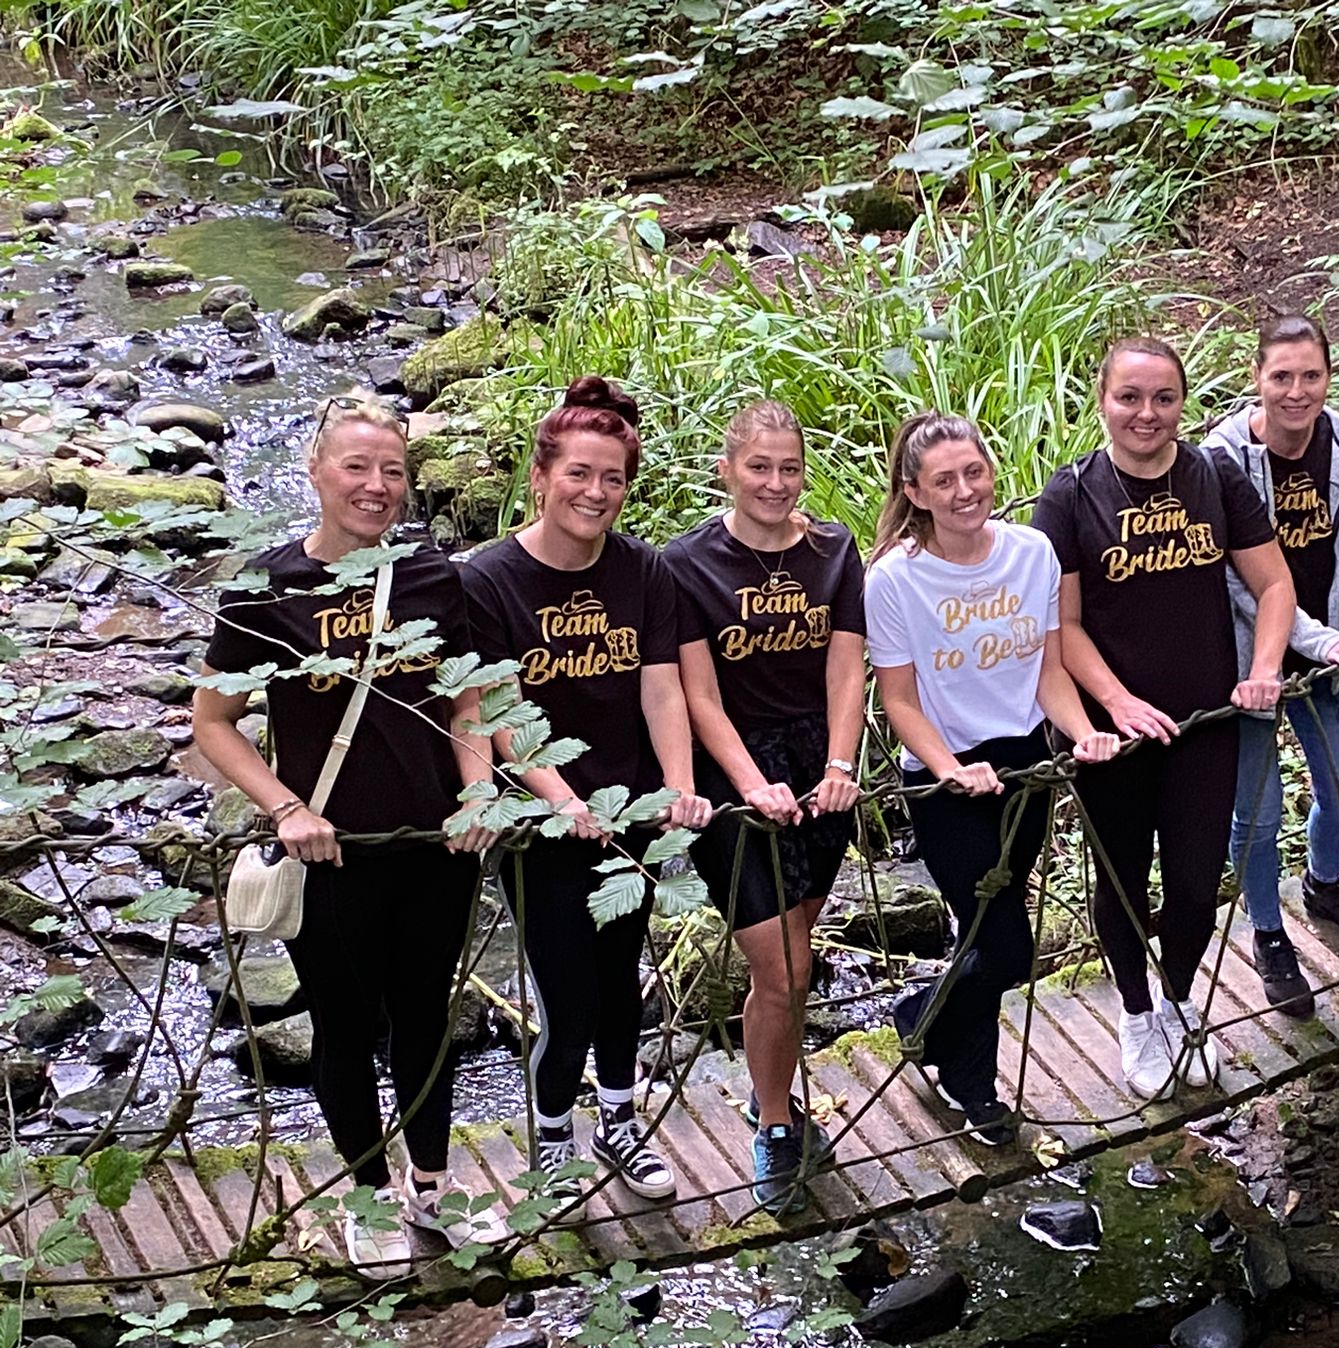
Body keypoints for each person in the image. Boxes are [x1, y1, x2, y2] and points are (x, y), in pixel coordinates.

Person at [195, 392, 510, 1274]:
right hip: (332, 854)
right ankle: (368, 1194)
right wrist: (285, 807)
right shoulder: (268, 588)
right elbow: (212, 722)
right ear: (316, 472)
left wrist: (478, 792)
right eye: (357, 467)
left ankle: (434, 1186)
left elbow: (467, 696)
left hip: (437, 845)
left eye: (393, 471)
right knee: (343, 1025)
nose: (376, 486)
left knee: (426, 1018)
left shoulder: (432, 577)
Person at [461, 376, 712, 1198]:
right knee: (567, 999)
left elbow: (661, 687)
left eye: (612, 479)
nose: (595, 493)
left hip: (629, 807)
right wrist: (560, 798)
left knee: (620, 983)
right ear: (541, 476)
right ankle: (553, 1140)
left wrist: (678, 787)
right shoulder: (489, 579)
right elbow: (498, 707)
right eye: (578, 473)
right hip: (541, 823)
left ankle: (618, 1122)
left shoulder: (644, 571)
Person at [1032, 337, 1296, 1100]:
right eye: (1129, 397)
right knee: (1120, 878)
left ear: (1183, 403)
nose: (1146, 414)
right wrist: (1116, 703)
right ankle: (1136, 1012)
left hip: (1204, 720)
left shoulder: (1214, 478)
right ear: (1102, 402)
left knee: (1194, 881)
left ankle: (1178, 999)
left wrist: (1264, 668)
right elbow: (1062, 625)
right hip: (1108, 730)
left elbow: (1274, 584)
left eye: (1163, 398)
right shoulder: (1070, 496)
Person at [865, 412, 1121, 1145]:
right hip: (944, 779)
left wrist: (1083, 732)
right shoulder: (894, 579)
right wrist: (949, 770)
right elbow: (899, 700)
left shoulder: (1031, 553)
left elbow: (1046, 668)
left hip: (1025, 765)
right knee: (1001, 943)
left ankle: (942, 1043)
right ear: (915, 492)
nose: (963, 491)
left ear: (992, 471)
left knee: (988, 933)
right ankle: (962, 1071)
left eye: (973, 472)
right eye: (943, 480)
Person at [666, 401, 865, 1216]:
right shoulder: (685, 565)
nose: (776, 483)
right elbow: (699, 695)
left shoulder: (834, 550)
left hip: (820, 772)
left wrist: (841, 762)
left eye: (790, 468)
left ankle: (766, 1086)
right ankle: (778, 1125)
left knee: (793, 956)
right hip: (734, 781)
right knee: (783, 966)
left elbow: (847, 667)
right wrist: (750, 784)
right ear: (727, 470)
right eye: (759, 467)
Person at [1205, 314, 1339, 1018]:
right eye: (1281, 376)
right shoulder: (1221, 459)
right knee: (1257, 814)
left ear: (1329, 376)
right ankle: (1268, 932)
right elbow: (1241, 581)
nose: (1296, 392)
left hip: (1328, 655)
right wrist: (1321, 639)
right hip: (1248, 664)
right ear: (1256, 378)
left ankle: (1324, 885)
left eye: (1311, 376)